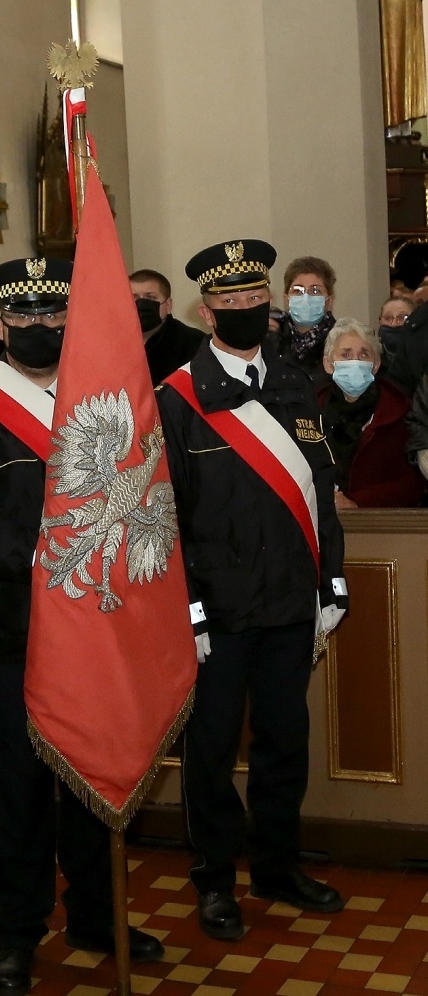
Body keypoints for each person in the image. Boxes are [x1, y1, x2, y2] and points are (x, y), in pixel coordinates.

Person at [0, 257, 163, 996]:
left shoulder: (107, 398)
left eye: (54, 317)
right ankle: (17, 933)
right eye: (24, 318)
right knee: (18, 788)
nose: (40, 328)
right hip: (14, 630)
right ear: (0, 326)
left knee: (98, 774)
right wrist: (47, 557)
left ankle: (98, 916)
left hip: (100, 625)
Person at [157, 239, 348, 942]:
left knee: (283, 741)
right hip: (219, 610)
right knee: (210, 751)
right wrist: (191, 609)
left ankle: (276, 864)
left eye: (254, 299)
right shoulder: (175, 398)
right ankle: (214, 880)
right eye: (229, 302)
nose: (244, 309)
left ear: (268, 303)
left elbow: (319, 489)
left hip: (289, 602)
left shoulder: (295, 383)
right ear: (207, 311)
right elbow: (165, 515)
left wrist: (331, 581)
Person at [319, 318, 424, 509]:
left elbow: (413, 482)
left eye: (364, 354)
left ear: (375, 365)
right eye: (345, 354)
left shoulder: (399, 412)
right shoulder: (310, 410)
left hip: (378, 527)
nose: (355, 362)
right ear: (328, 364)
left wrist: (357, 502)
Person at [267, 255, 337, 391]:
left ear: (329, 301)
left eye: (315, 290)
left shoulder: (340, 341)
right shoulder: (272, 339)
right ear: (286, 299)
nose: (306, 297)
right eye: (298, 290)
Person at [128, 268, 205, 386]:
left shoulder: (195, 343)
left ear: (168, 305)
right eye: (135, 298)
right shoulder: (112, 344)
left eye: (150, 297)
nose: (141, 304)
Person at [378, 295, 415, 377]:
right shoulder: (373, 360)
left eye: (402, 317)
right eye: (388, 318)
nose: (394, 324)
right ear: (380, 323)